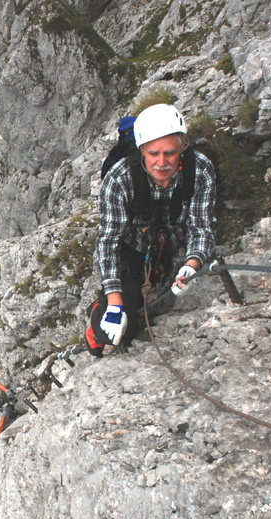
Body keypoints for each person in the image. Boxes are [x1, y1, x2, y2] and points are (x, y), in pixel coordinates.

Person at [88, 103, 216, 353]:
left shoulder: (199, 170)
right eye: (153, 153)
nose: (162, 162)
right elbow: (108, 241)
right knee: (114, 337)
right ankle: (99, 311)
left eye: (170, 152)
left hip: (172, 245)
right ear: (141, 150)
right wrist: (115, 303)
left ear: (182, 147)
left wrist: (192, 264)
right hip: (132, 248)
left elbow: (202, 227)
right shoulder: (119, 179)